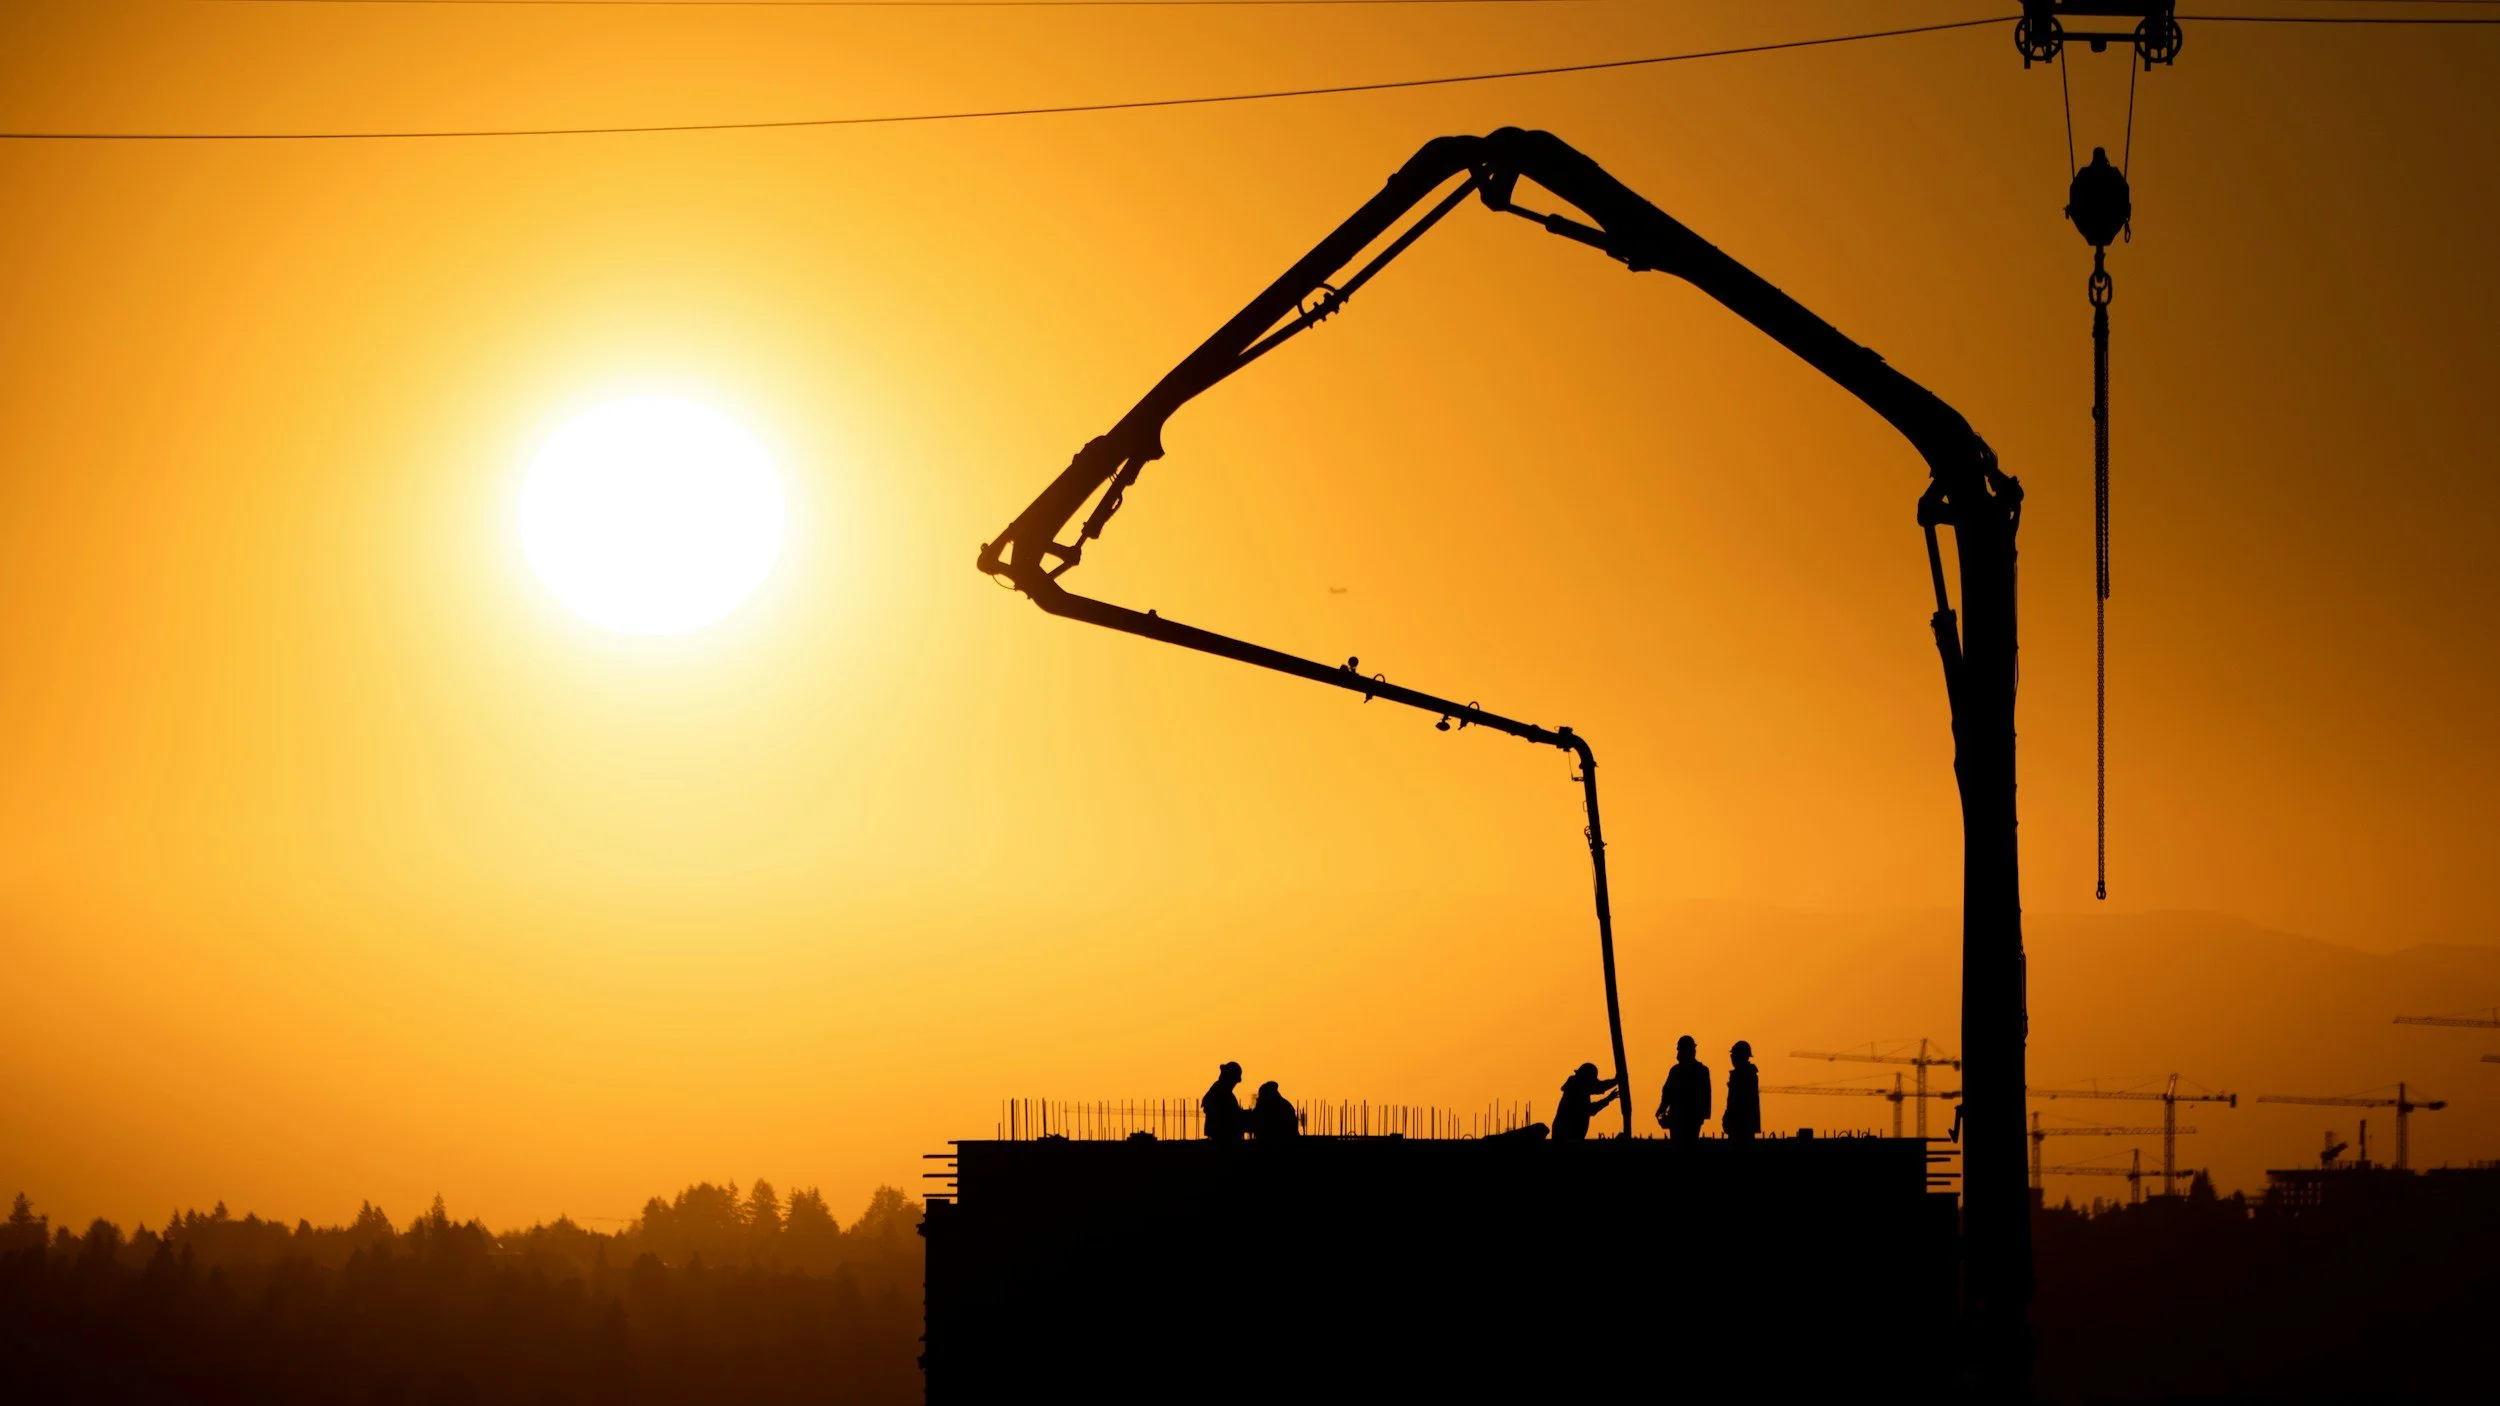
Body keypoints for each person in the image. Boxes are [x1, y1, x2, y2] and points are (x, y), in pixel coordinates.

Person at [1655, 1035, 1712, 1140]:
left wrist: (1661, 1111)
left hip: (1680, 1118)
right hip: (1691, 1119)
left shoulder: (1677, 1071)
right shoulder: (1702, 1070)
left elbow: (1667, 1094)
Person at [1551, 1062, 1623, 1143]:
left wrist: (1615, 1081)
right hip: (1567, 1136)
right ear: (1587, 1079)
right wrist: (1608, 1098)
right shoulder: (1576, 1089)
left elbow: (1599, 1087)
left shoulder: (1577, 1085)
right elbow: (1590, 1110)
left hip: (1567, 1134)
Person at [1722, 1040, 1762, 1141]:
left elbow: (1738, 1102)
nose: (1732, 1058)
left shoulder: (1745, 1075)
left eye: (1734, 1055)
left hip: (1742, 1125)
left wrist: (1729, 1118)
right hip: (1741, 1125)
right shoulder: (1744, 1074)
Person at [1203, 1061, 1247, 1141]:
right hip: (1222, 1136)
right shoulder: (1220, 1091)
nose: (1234, 1084)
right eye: (1234, 1080)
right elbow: (1225, 1116)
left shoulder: (1219, 1090)